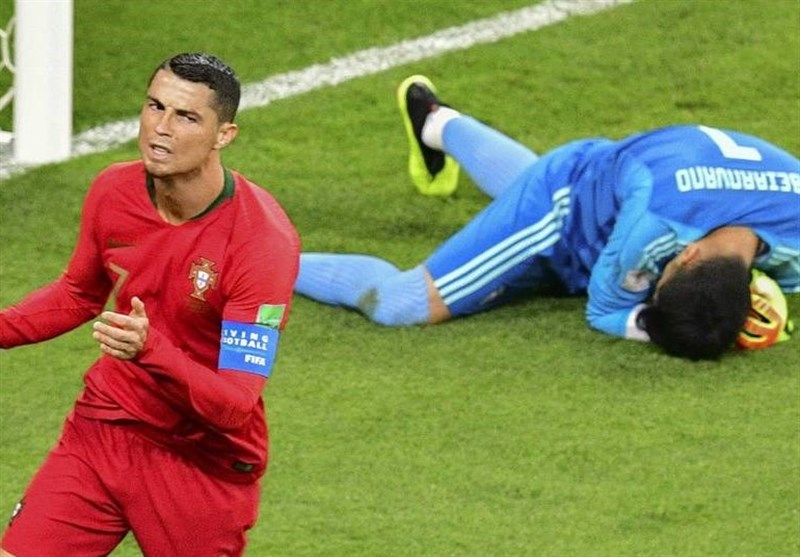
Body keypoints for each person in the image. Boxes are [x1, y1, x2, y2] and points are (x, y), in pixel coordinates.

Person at [0, 53, 300, 556]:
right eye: (155, 106)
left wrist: (150, 349)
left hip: (200, 460)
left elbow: (235, 405)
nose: (161, 128)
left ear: (223, 135)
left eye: (186, 117)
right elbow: (77, 294)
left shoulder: (262, 244)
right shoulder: (113, 190)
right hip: (105, 427)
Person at [295, 75, 799, 360]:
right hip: (564, 204)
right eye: (660, 282)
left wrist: (724, 314)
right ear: (685, 255)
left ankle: (436, 122)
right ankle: (268, 256)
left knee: (554, 190)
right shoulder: (654, 227)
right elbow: (604, 307)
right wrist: (663, 325)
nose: (654, 282)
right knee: (401, 303)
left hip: (613, 182)